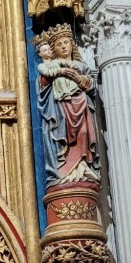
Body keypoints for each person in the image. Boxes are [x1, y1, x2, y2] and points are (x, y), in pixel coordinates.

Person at [36, 30, 99, 186]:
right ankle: (66, 171)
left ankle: (83, 166)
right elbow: (43, 86)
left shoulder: (81, 66)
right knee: (62, 134)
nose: (63, 47)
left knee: (84, 132)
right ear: (53, 50)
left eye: (66, 43)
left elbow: (92, 87)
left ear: (72, 45)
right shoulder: (52, 66)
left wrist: (79, 78)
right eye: (58, 44)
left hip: (81, 102)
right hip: (61, 106)